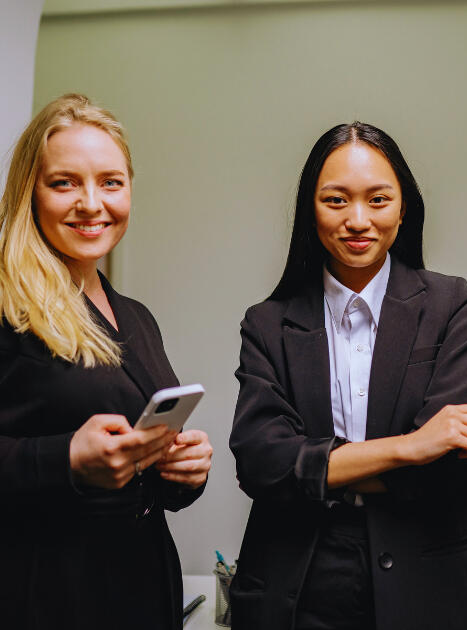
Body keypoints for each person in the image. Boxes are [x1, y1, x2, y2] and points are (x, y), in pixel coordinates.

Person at [229, 122, 467, 630]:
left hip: (430, 580)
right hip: (302, 581)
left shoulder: (453, 307)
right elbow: (260, 464)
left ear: (403, 208)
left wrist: (314, 471)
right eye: (336, 200)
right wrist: (409, 447)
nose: (358, 220)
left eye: (378, 200)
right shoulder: (267, 323)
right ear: (310, 209)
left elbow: (442, 470)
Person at [0, 94, 213, 630]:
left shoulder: (136, 317)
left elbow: (139, 472)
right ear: (30, 191)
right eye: (64, 183)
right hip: (46, 594)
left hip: (141, 588)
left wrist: (180, 472)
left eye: (111, 182)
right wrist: (66, 458)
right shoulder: (6, 303)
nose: (92, 203)